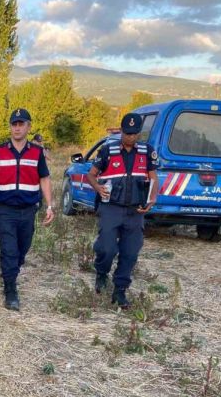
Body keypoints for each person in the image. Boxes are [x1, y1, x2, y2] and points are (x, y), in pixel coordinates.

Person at [0, 108, 55, 310]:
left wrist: (50, 205)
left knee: (22, 249)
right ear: (10, 127)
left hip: (28, 210)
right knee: (9, 250)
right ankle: (10, 290)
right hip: (4, 210)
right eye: (14, 124)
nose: (17, 128)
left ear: (28, 127)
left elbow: (44, 179)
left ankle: (11, 272)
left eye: (21, 124)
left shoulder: (37, 153)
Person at [86, 113, 158, 309]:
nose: (131, 138)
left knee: (130, 252)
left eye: (134, 134)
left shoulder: (147, 151)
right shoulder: (108, 150)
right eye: (127, 133)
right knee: (106, 248)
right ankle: (101, 273)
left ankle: (120, 291)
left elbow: (153, 178)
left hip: (135, 211)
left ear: (139, 133)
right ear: (121, 131)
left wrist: (152, 199)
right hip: (111, 208)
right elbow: (91, 175)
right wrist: (98, 188)